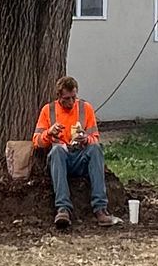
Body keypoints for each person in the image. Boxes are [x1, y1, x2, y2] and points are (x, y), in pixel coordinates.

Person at [33, 75, 113, 228]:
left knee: (96, 149)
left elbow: (95, 138)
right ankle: (63, 209)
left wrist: (86, 139)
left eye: (73, 98)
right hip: (60, 159)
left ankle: (100, 208)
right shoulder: (48, 110)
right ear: (58, 97)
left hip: (81, 156)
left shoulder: (85, 108)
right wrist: (49, 133)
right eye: (66, 99)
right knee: (57, 150)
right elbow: (37, 141)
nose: (70, 102)